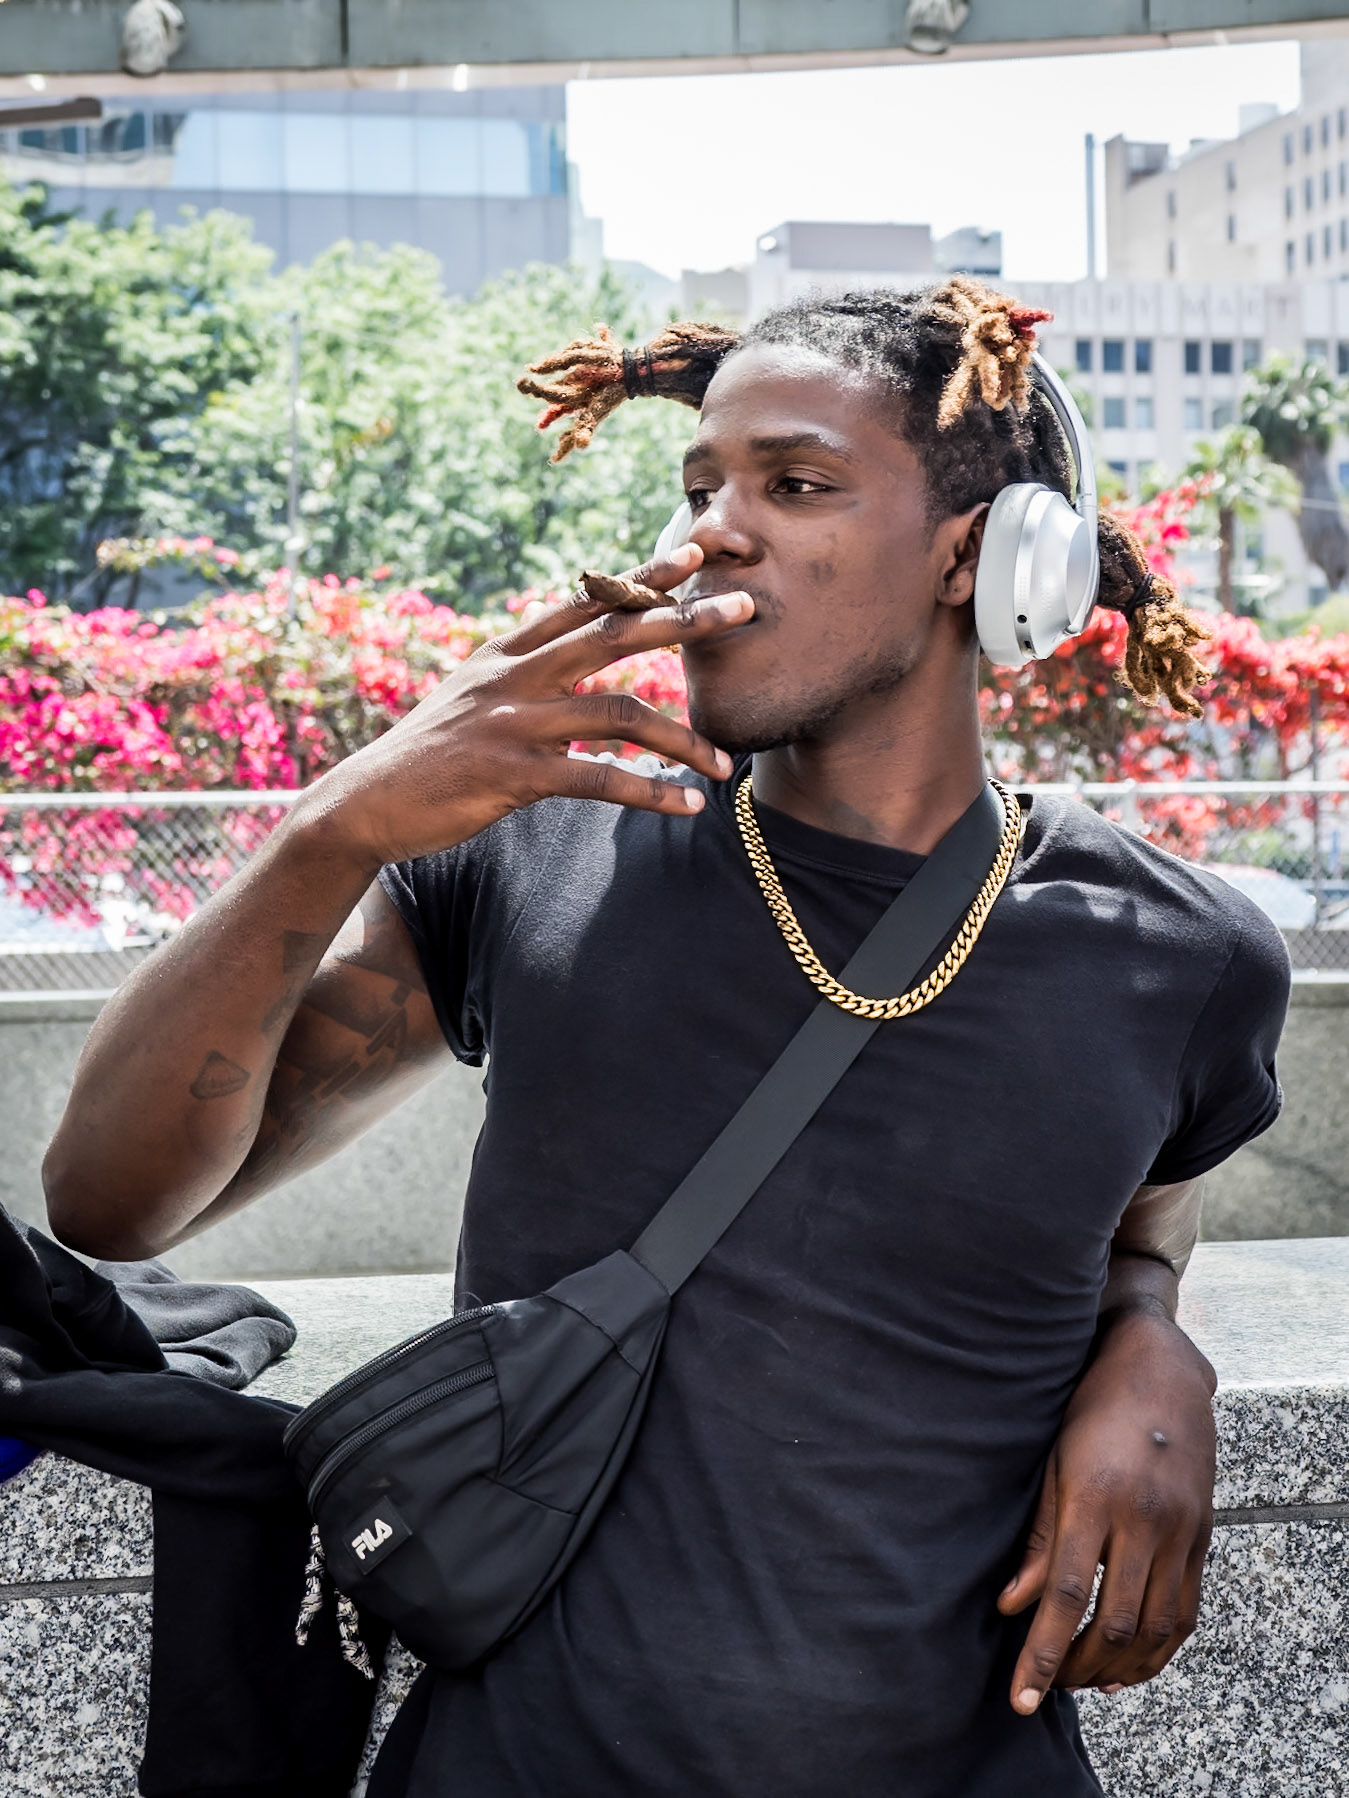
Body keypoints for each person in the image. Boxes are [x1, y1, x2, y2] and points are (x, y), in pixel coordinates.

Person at [45, 277, 1289, 1797]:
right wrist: (332, 827)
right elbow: (109, 1200)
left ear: (983, 556)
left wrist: (1155, 1339)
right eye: (701, 487)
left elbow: (1143, 1209)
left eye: (796, 485)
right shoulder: (533, 856)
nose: (711, 533)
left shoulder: (1180, 957)